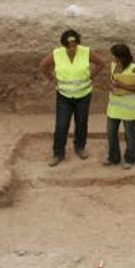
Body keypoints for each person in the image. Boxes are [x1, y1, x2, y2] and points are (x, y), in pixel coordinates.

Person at [39, 29, 105, 167]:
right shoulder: (57, 54)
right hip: (64, 95)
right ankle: (58, 153)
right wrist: (52, 80)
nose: (72, 48)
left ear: (78, 43)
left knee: (81, 122)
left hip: (84, 95)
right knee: (61, 125)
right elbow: (43, 66)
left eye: (74, 45)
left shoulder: (86, 52)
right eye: (69, 46)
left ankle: (80, 147)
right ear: (64, 45)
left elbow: (101, 63)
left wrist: (91, 76)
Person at [104, 43, 135, 169]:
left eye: (116, 57)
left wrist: (122, 86)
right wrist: (111, 86)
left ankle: (130, 159)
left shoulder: (134, 68)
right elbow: (111, 81)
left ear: (123, 57)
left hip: (128, 110)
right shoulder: (114, 66)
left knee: (129, 134)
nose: (114, 59)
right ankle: (113, 157)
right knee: (111, 133)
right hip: (114, 107)